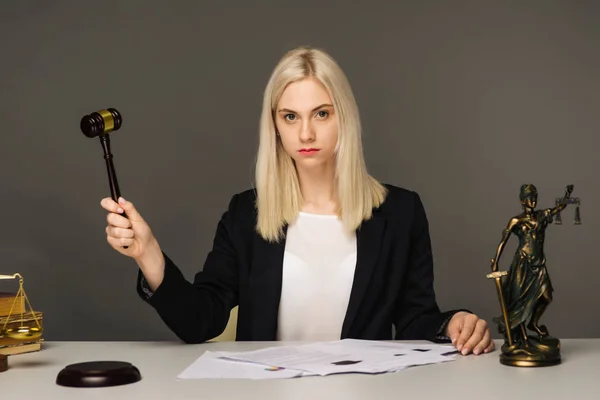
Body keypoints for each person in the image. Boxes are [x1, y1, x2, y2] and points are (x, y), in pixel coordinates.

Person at [101, 46, 494, 356]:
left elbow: (414, 319)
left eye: (321, 114)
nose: (306, 132)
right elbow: (200, 322)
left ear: (345, 117)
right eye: (290, 117)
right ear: (274, 126)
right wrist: (147, 252)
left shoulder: (400, 212)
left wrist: (452, 324)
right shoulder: (246, 214)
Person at [491, 184, 572, 343]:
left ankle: (533, 323)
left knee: (547, 297)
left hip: (539, 264)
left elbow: (559, 208)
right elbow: (503, 241)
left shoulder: (542, 215)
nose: (533, 201)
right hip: (523, 264)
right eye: (529, 198)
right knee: (520, 301)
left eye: (534, 198)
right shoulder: (517, 220)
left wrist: (567, 194)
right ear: (522, 201)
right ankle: (521, 337)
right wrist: (496, 261)